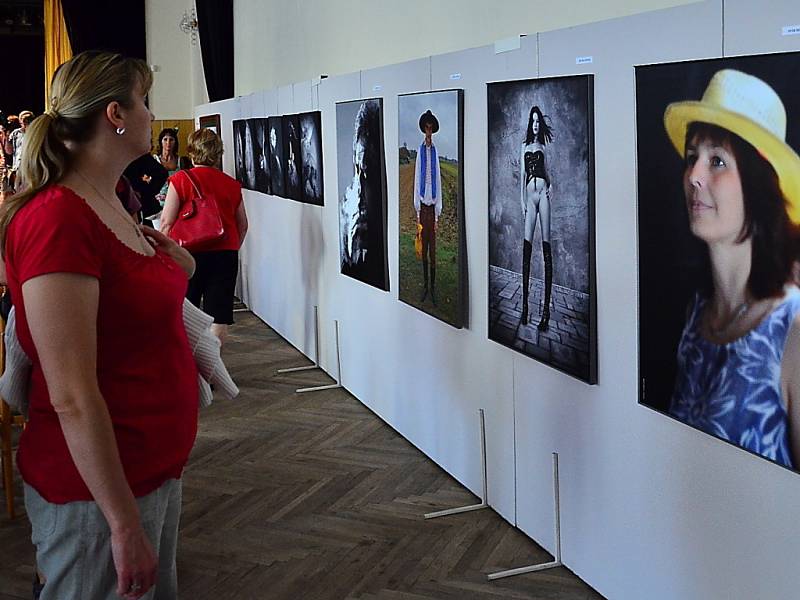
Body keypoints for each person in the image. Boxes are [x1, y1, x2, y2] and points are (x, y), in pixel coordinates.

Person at [0, 50, 199, 599]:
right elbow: (71, 394)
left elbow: (128, 311)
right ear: (115, 114)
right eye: (146, 102)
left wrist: (182, 269)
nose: (153, 117)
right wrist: (122, 523)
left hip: (149, 468)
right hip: (97, 495)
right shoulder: (56, 218)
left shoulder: (107, 198)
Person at [663, 68, 800, 469]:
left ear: (758, 187)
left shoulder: (793, 332)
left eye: (718, 160)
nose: (694, 176)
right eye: (692, 158)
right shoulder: (696, 317)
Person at [161, 128, 248, 346]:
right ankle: (212, 371)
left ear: (192, 152)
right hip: (224, 255)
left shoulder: (180, 180)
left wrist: (164, 256)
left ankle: (191, 368)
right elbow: (243, 225)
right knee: (219, 317)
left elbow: (166, 222)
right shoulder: (231, 184)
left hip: (188, 254)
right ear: (218, 153)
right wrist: (231, 248)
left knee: (186, 311)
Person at [519, 105, 554, 330]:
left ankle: (545, 312)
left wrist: (552, 186)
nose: (535, 124)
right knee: (526, 250)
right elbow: (521, 176)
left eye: (537, 121)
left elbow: (548, 172)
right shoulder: (523, 147)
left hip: (543, 195)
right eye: (532, 121)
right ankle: (524, 307)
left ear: (540, 124)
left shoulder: (543, 146)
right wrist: (522, 201)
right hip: (530, 198)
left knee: (546, 249)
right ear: (529, 124)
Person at [413, 110, 443, 305]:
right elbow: (416, 180)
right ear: (424, 129)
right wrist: (417, 212)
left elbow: (439, 182)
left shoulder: (435, 152)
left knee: (433, 252)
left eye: (431, 128)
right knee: (423, 250)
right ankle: (425, 286)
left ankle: (433, 289)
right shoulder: (420, 152)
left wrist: (438, 215)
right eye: (427, 128)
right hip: (422, 209)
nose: (429, 132)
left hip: (432, 211)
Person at [152, 128, 189, 224]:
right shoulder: (153, 161)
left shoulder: (182, 161)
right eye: (165, 139)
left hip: (177, 206)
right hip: (157, 208)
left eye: (171, 140)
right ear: (161, 142)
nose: (168, 143)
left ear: (175, 142)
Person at [4, 110, 34, 193]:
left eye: (27, 119)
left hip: (31, 168)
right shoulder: (15, 133)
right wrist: (7, 136)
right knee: (17, 191)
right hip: (18, 168)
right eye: (22, 119)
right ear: (20, 120)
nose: (24, 121)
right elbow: (9, 151)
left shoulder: (35, 132)